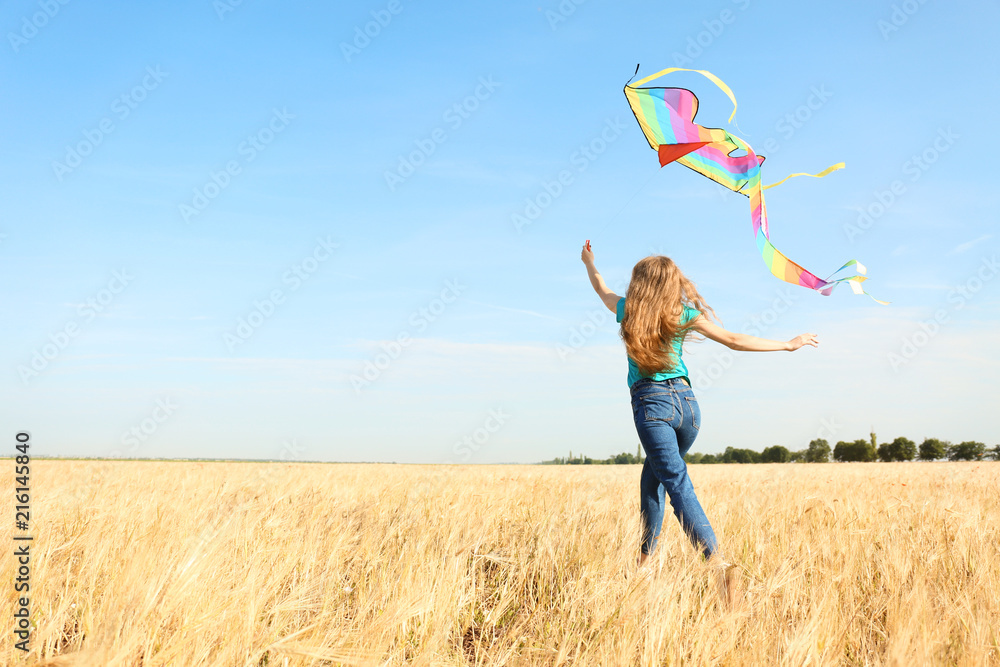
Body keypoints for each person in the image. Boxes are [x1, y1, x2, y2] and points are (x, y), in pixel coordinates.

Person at [581, 242, 818, 603]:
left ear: (639, 284)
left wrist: (589, 262)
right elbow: (735, 341)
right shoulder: (683, 313)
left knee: (676, 485)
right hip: (689, 409)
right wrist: (787, 344)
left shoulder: (627, 310)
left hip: (652, 407)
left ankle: (719, 568)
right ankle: (643, 566)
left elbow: (601, 288)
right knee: (653, 481)